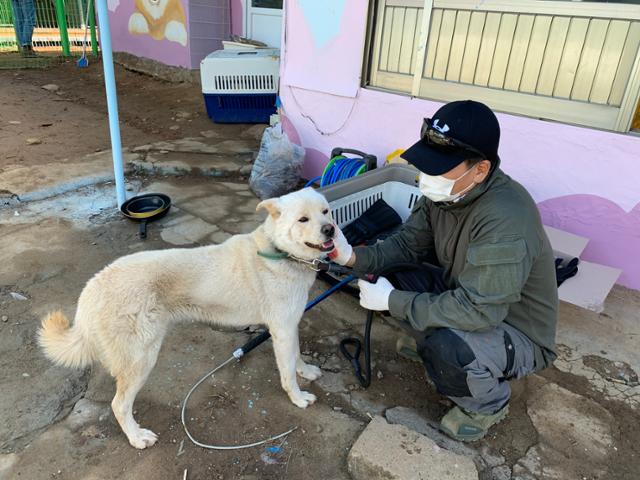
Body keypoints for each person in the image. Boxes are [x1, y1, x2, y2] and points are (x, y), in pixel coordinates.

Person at [330, 100, 558, 442]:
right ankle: (430, 341)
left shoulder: (506, 219)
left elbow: (481, 311)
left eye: (440, 168)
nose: (427, 177)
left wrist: (394, 302)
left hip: (513, 328)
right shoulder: (446, 194)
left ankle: (488, 404)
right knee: (396, 274)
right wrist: (353, 258)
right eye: (427, 165)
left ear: (480, 170)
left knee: (448, 348)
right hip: (467, 294)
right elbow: (407, 245)